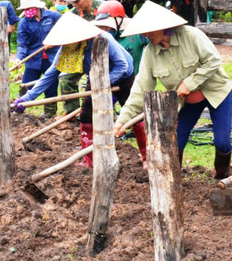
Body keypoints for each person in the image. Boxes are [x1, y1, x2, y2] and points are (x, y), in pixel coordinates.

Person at [114, 0, 232, 177]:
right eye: (143, 31)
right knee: (174, 142)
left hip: (217, 92)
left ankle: (222, 176)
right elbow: (140, 88)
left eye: (149, 29)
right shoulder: (150, 53)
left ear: (163, 26)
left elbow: (214, 60)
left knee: (222, 142)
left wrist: (190, 83)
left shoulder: (192, 35)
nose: (146, 35)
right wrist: (122, 120)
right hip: (188, 101)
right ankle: (172, 180)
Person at [14, 12, 143, 168]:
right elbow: (51, 74)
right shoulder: (68, 49)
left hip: (123, 76)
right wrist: (27, 98)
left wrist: (104, 83)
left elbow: (122, 65)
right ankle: (89, 160)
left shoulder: (103, 39)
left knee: (134, 116)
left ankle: (146, 157)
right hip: (95, 77)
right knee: (86, 116)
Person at [57, 0, 104, 116]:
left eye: (77, 0)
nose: (74, 4)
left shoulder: (103, 8)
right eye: (71, 1)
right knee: (65, 78)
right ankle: (72, 114)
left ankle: (102, 116)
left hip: (105, 57)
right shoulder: (73, 15)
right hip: (83, 56)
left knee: (96, 84)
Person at [13, 0, 62, 119]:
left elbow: (65, 31)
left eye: (29, 8)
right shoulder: (24, 23)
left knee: (51, 87)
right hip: (33, 60)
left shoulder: (54, 17)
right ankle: (18, 112)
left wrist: (53, 41)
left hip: (51, 59)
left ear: (37, 6)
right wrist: (19, 58)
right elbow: (23, 44)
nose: (27, 11)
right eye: (25, 9)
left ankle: (49, 115)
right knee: (27, 86)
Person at [93, 0, 149, 72]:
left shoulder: (135, 33)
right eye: (100, 26)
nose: (104, 29)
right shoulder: (99, 39)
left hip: (137, 79)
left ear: (118, 22)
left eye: (106, 25)